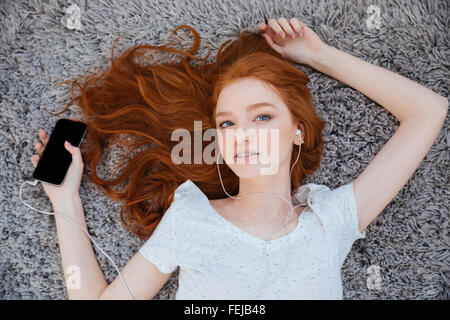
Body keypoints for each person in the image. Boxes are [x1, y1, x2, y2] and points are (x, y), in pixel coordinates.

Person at [30, 17, 447, 299]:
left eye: (262, 116)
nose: (244, 135)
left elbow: (427, 111)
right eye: (227, 124)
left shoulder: (331, 218)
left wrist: (319, 55)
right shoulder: (192, 219)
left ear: (297, 129)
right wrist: (64, 200)